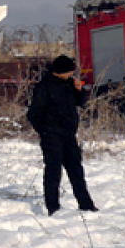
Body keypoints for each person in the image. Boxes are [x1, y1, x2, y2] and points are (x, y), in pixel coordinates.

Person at [27, 55, 98, 216]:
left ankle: (86, 205)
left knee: (76, 171)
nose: (72, 73)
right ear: (59, 72)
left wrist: (80, 90)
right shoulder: (44, 87)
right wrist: (44, 132)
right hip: (51, 136)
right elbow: (33, 114)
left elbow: (80, 102)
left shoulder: (69, 83)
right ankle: (53, 207)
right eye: (70, 71)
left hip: (69, 135)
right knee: (53, 172)